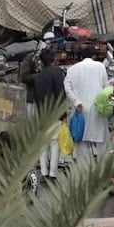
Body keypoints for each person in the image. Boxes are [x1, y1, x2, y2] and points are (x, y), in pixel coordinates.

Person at [63, 48, 110, 160]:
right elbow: (106, 87)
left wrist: (76, 102)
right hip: (98, 109)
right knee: (101, 140)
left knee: (82, 140)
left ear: (79, 57)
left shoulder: (72, 69)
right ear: (93, 56)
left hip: (81, 109)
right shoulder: (100, 67)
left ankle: (85, 167)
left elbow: (67, 88)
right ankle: (102, 165)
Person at [31, 48, 66, 179]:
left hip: (42, 113)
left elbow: (35, 96)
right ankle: (53, 172)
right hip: (54, 112)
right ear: (53, 58)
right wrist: (63, 112)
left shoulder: (38, 76)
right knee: (54, 143)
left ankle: (44, 171)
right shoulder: (57, 72)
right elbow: (61, 93)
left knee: (43, 144)